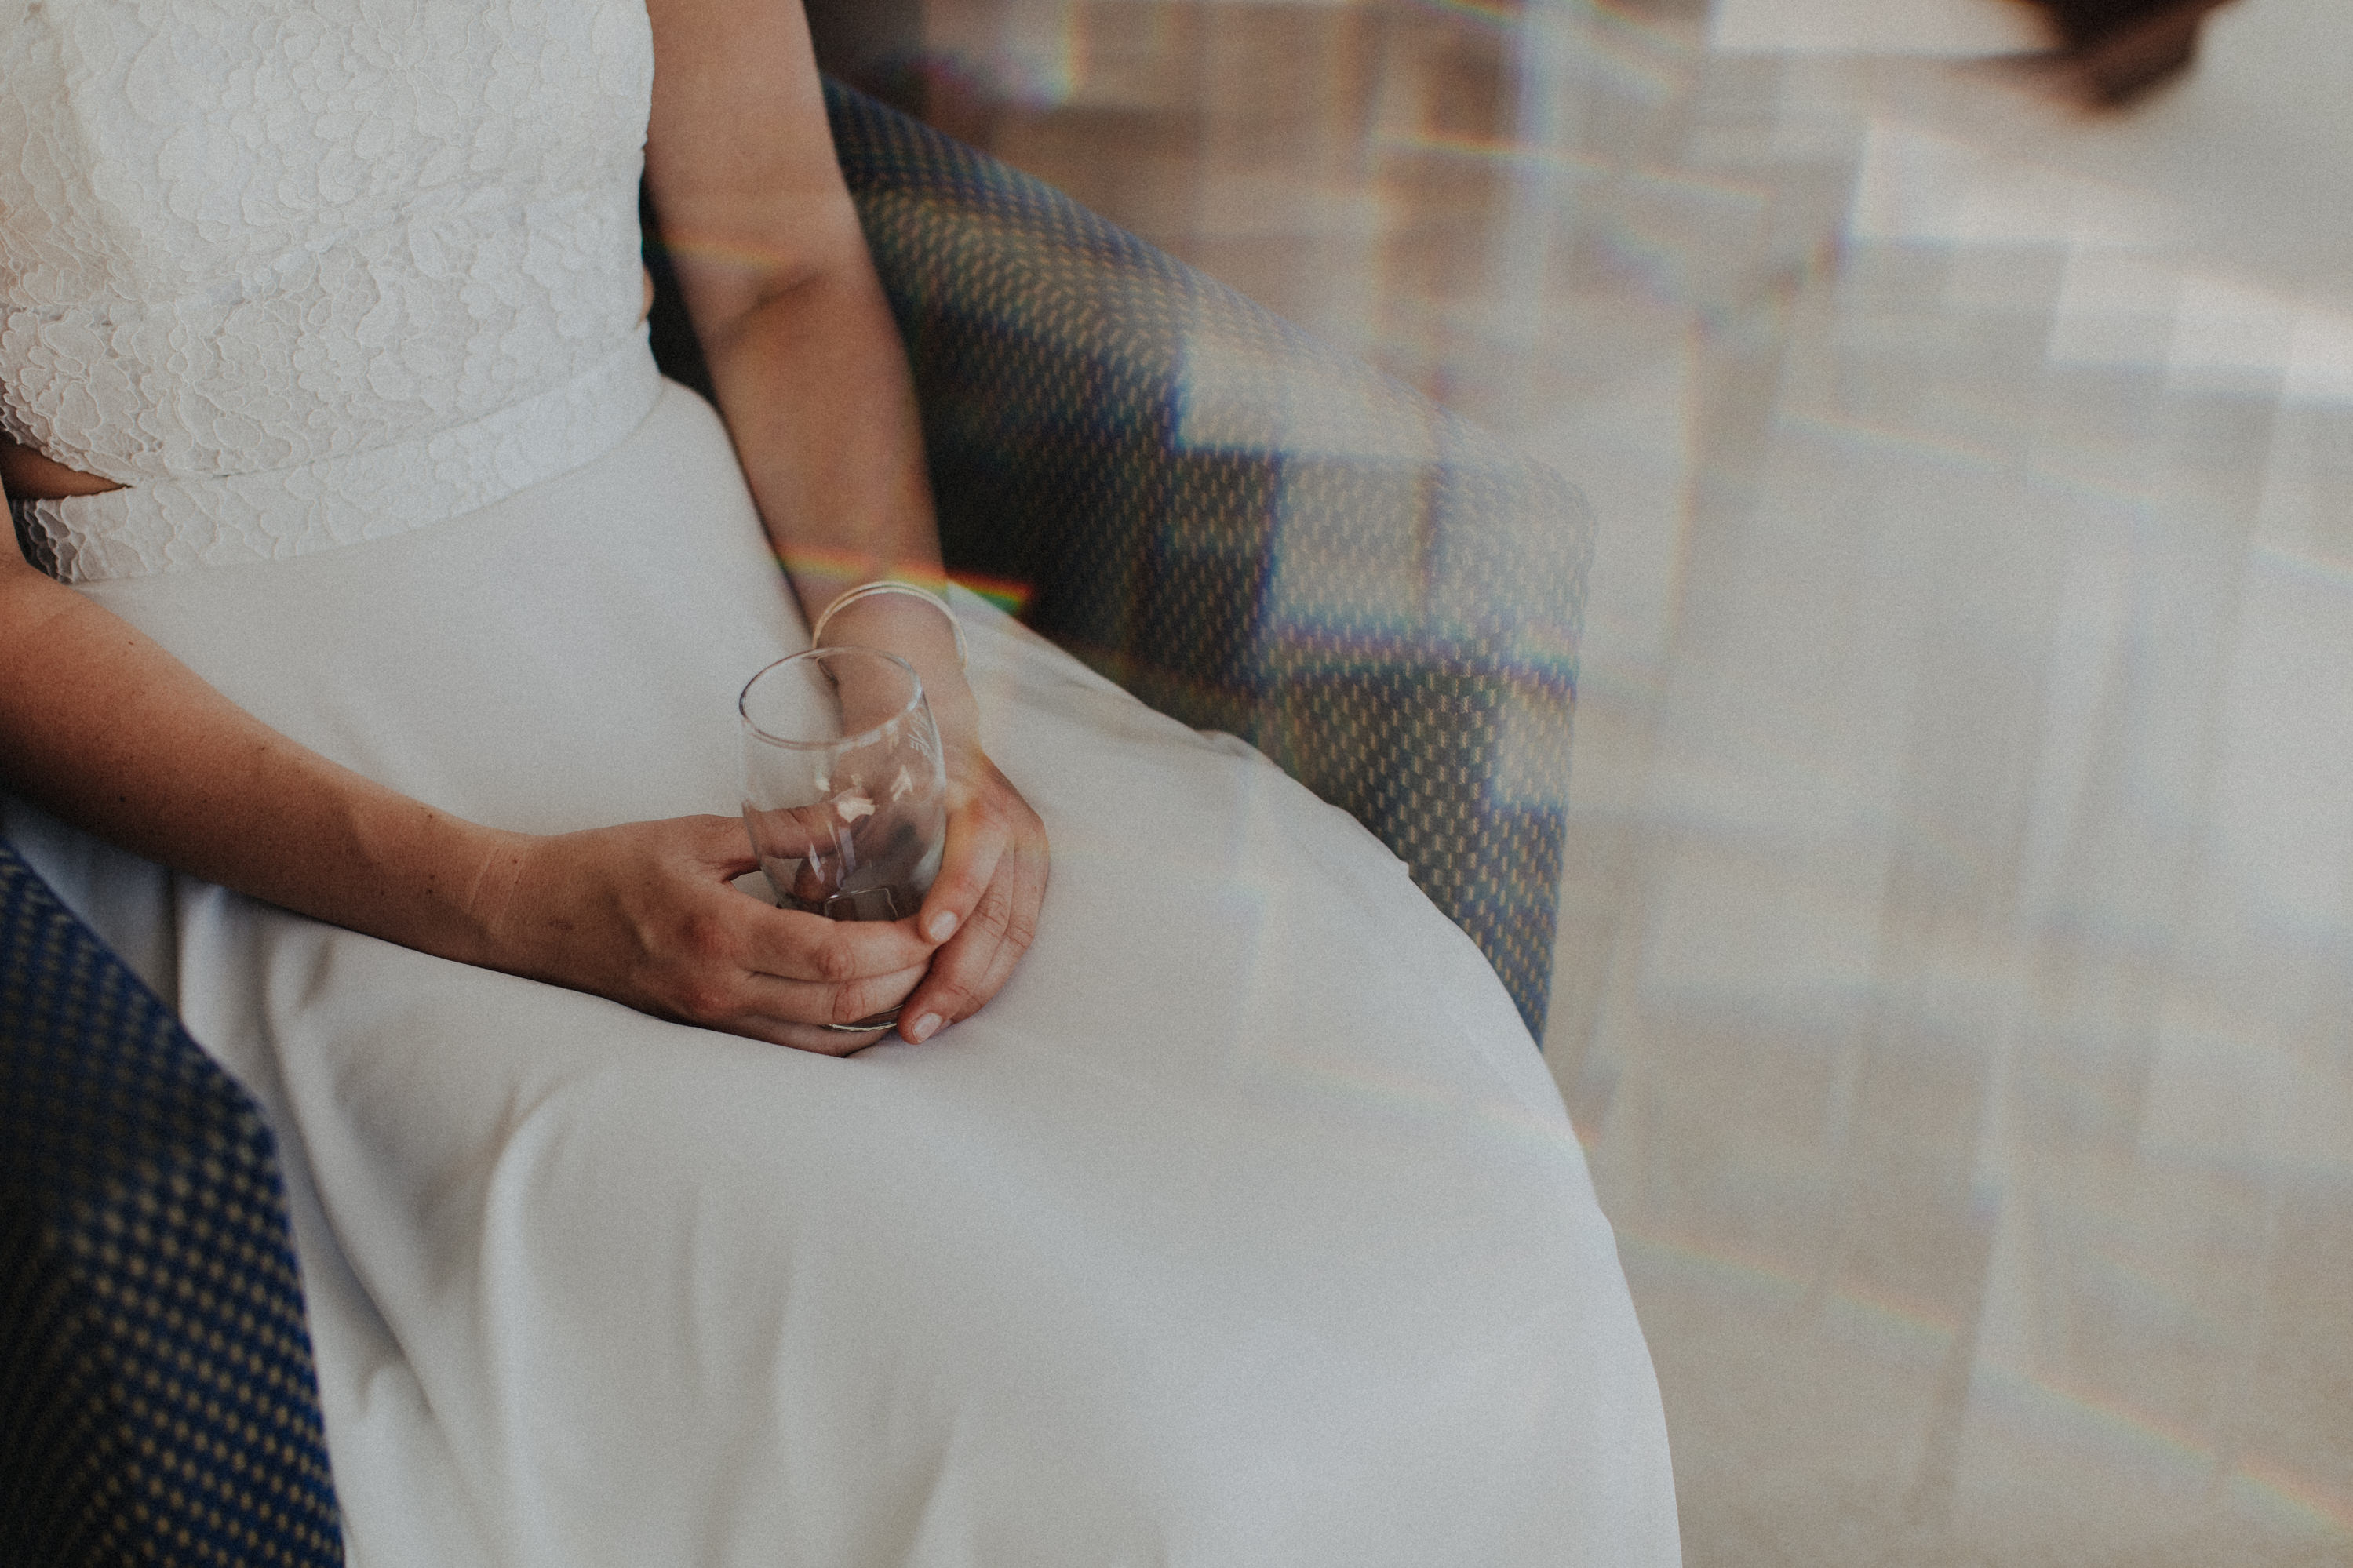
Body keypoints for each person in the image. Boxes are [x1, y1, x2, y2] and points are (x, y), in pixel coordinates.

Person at [0, 0, 1681, 1563]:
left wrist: (909, 707)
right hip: (287, 783)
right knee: (1071, 1433)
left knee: (1462, 1221)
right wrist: (519, 901)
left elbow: (784, 263)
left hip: (729, 617)